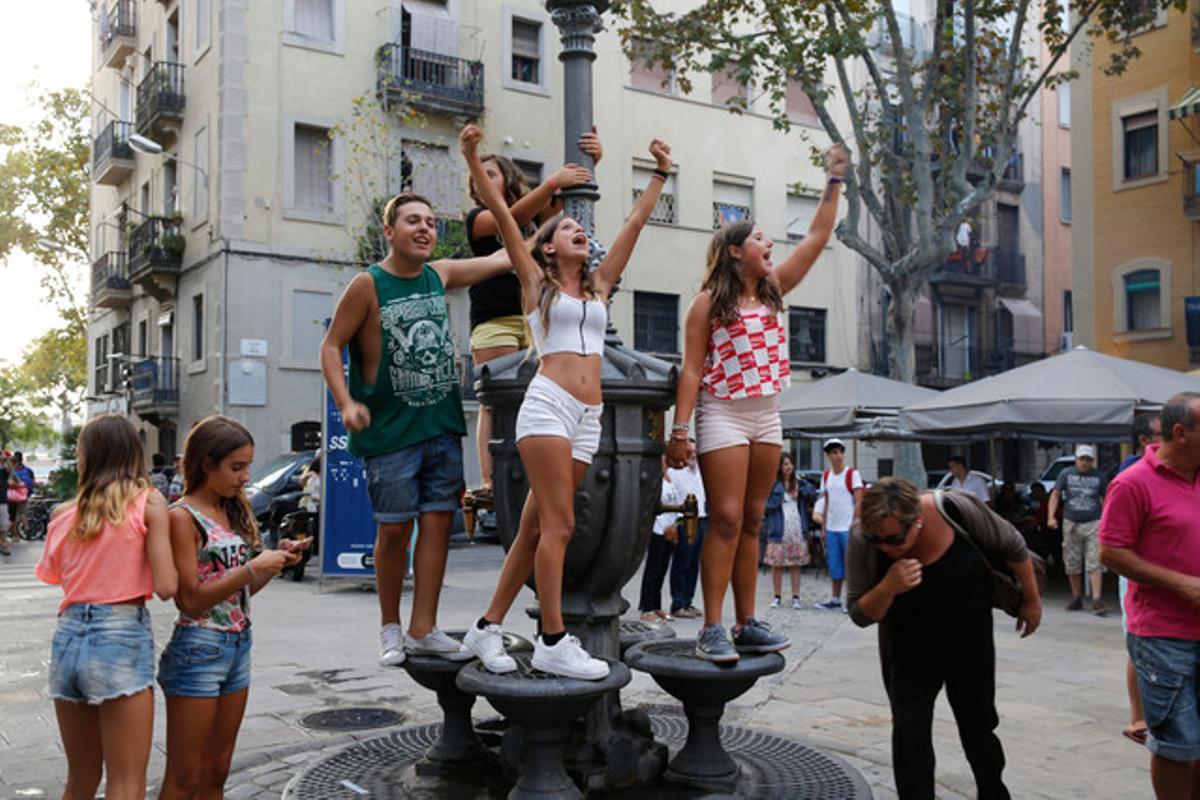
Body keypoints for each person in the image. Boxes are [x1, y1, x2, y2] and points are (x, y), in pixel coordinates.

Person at [461, 124, 672, 679]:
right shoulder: (536, 285)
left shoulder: (599, 286)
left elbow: (631, 227)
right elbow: (506, 222)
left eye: (582, 228)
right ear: (548, 246)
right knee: (559, 527)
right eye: (569, 227)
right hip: (548, 406)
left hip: (589, 415)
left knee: (535, 529)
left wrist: (658, 175)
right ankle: (553, 639)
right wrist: (468, 154)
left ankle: (485, 628)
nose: (580, 231)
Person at [666, 144, 850, 662]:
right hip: (722, 412)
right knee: (723, 517)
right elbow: (693, 370)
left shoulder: (772, 291)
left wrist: (834, 181)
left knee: (752, 519)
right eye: (759, 239)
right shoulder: (708, 303)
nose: (769, 244)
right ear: (733, 251)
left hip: (767, 414)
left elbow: (816, 237)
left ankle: (747, 622)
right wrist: (680, 432)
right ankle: (711, 626)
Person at [320, 190, 515, 667]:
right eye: (413, 221)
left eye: (430, 221)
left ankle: (423, 628)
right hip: (389, 435)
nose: (425, 228)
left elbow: (505, 256)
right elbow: (330, 346)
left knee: (436, 526)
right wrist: (345, 402)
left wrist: (546, 212)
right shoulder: (368, 285)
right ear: (390, 232)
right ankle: (390, 627)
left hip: (442, 426)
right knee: (393, 531)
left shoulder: (439, 275)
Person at [847, 477, 1041, 800]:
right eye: (876, 539)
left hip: (969, 641)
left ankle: (993, 792)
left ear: (918, 521)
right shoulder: (863, 538)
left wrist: (1032, 601)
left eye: (895, 539)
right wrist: (887, 587)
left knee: (978, 727)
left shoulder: (956, 509)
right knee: (909, 733)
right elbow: (859, 613)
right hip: (909, 648)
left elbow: (1013, 546)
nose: (886, 547)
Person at [157, 416, 307, 798]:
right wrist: (250, 568)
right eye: (236, 467)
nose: (244, 477)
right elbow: (190, 601)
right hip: (198, 650)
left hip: (238, 646)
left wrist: (275, 563)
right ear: (206, 463)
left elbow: (237, 595)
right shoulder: (181, 517)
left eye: (247, 467)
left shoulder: (229, 511)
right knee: (184, 778)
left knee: (217, 772)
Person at [35, 415, 176, 800]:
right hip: (121, 634)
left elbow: (55, 575)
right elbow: (167, 586)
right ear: (134, 454)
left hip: (68, 638)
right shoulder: (149, 502)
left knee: (79, 780)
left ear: (86, 457)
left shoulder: (62, 514)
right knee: (126, 781)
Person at [466, 133, 601, 499]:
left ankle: (529, 464)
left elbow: (567, 213)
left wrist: (591, 165)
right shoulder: (478, 218)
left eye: (490, 174)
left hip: (535, 319)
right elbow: (508, 219)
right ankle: (492, 479)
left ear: (508, 178)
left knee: (533, 390)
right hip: (495, 319)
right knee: (493, 395)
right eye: (478, 178)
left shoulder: (536, 221)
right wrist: (553, 182)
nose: (480, 183)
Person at [1100, 393, 1200, 800]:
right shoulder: (1132, 482)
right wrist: (1183, 584)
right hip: (1163, 635)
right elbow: (1110, 552)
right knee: (1177, 742)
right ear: (1181, 433)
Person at [1111, 412, 1163, 748]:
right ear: (1144, 440)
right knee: (1137, 643)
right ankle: (1137, 716)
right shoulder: (1132, 473)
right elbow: (1114, 547)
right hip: (1137, 575)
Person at [1048, 444, 1109, 614]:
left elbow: (1107, 498)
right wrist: (1050, 517)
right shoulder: (1066, 474)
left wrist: (1107, 519)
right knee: (1072, 561)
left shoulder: (1100, 476)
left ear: (1092, 461)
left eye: (1088, 460)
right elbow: (1055, 494)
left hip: (1094, 522)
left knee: (1095, 560)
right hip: (1071, 522)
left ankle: (1097, 599)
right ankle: (1076, 597)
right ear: (1076, 460)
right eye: (1082, 459)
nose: (1085, 463)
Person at [816, 438, 863, 611]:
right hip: (831, 528)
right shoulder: (827, 475)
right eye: (834, 453)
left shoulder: (852, 474)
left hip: (847, 528)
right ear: (828, 456)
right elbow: (827, 501)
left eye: (840, 452)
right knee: (834, 564)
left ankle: (851, 599)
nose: (838, 456)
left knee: (851, 565)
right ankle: (835, 598)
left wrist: (854, 525)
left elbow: (859, 501)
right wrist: (823, 527)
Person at [764, 453, 813, 609]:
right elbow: (767, 506)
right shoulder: (774, 485)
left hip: (797, 527)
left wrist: (801, 485)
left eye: (790, 464)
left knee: (795, 564)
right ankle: (777, 596)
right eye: (785, 464)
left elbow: (812, 493)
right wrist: (778, 496)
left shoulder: (799, 483)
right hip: (779, 528)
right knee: (776, 564)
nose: (788, 467)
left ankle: (796, 596)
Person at [668, 439, 707, 619]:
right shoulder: (675, 473)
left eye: (694, 451)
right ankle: (678, 603)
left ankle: (688, 600)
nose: (692, 454)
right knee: (681, 562)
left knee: (693, 563)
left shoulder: (700, 471)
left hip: (701, 519)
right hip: (683, 520)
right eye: (689, 451)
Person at [638, 457, 679, 622]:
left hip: (670, 528)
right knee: (653, 570)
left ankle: (656, 605)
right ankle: (647, 607)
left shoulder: (670, 478)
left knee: (662, 569)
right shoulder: (655, 482)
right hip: (657, 529)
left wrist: (676, 525)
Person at [9, 451, 34, 538]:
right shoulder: (28, 469)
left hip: (12, 497)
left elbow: (10, 483)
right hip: (24, 495)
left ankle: (15, 534)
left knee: (13, 516)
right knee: (23, 513)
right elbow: (32, 481)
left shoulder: (11, 471)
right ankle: (26, 528)